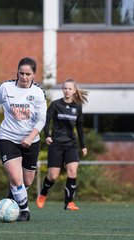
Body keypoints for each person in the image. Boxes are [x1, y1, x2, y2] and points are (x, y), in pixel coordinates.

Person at [0, 57, 47, 221]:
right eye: (21, 73)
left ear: (34, 75)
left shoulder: (38, 93)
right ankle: (24, 211)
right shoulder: (5, 87)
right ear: (17, 72)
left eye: (28, 74)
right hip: (7, 137)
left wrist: (30, 138)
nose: (24, 77)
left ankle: (12, 197)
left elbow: (41, 119)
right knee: (16, 178)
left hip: (31, 140)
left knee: (27, 180)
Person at [36, 78, 88, 211]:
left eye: (70, 88)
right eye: (65, 88)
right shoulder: (55, 105)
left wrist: (83, 145)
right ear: (62, 90)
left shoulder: (77, 106)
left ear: (74, 90)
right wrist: (47, 136)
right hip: (56, 144)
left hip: (71, 144)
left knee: (72, 171)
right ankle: (43, 194)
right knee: (53, 176)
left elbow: (80, 127)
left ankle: (69, 202)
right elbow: (46, 121)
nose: (67, 91)